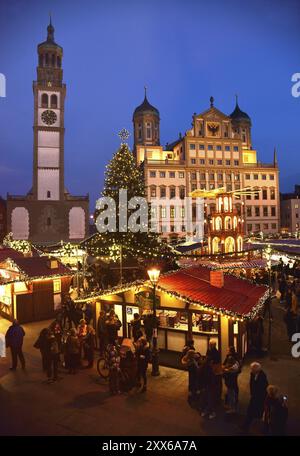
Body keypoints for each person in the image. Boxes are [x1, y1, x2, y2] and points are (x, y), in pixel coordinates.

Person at [242, 362, 269, 432]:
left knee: (253, 412)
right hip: (254, 397)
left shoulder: (262, 377)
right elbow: (252, 384)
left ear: (256, 370)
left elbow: (263, 389)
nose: (251, 370)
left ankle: (246, 426)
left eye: (252, 369)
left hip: (259, 398)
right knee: (250, 412)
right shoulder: (253, 374)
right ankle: (246, 426)